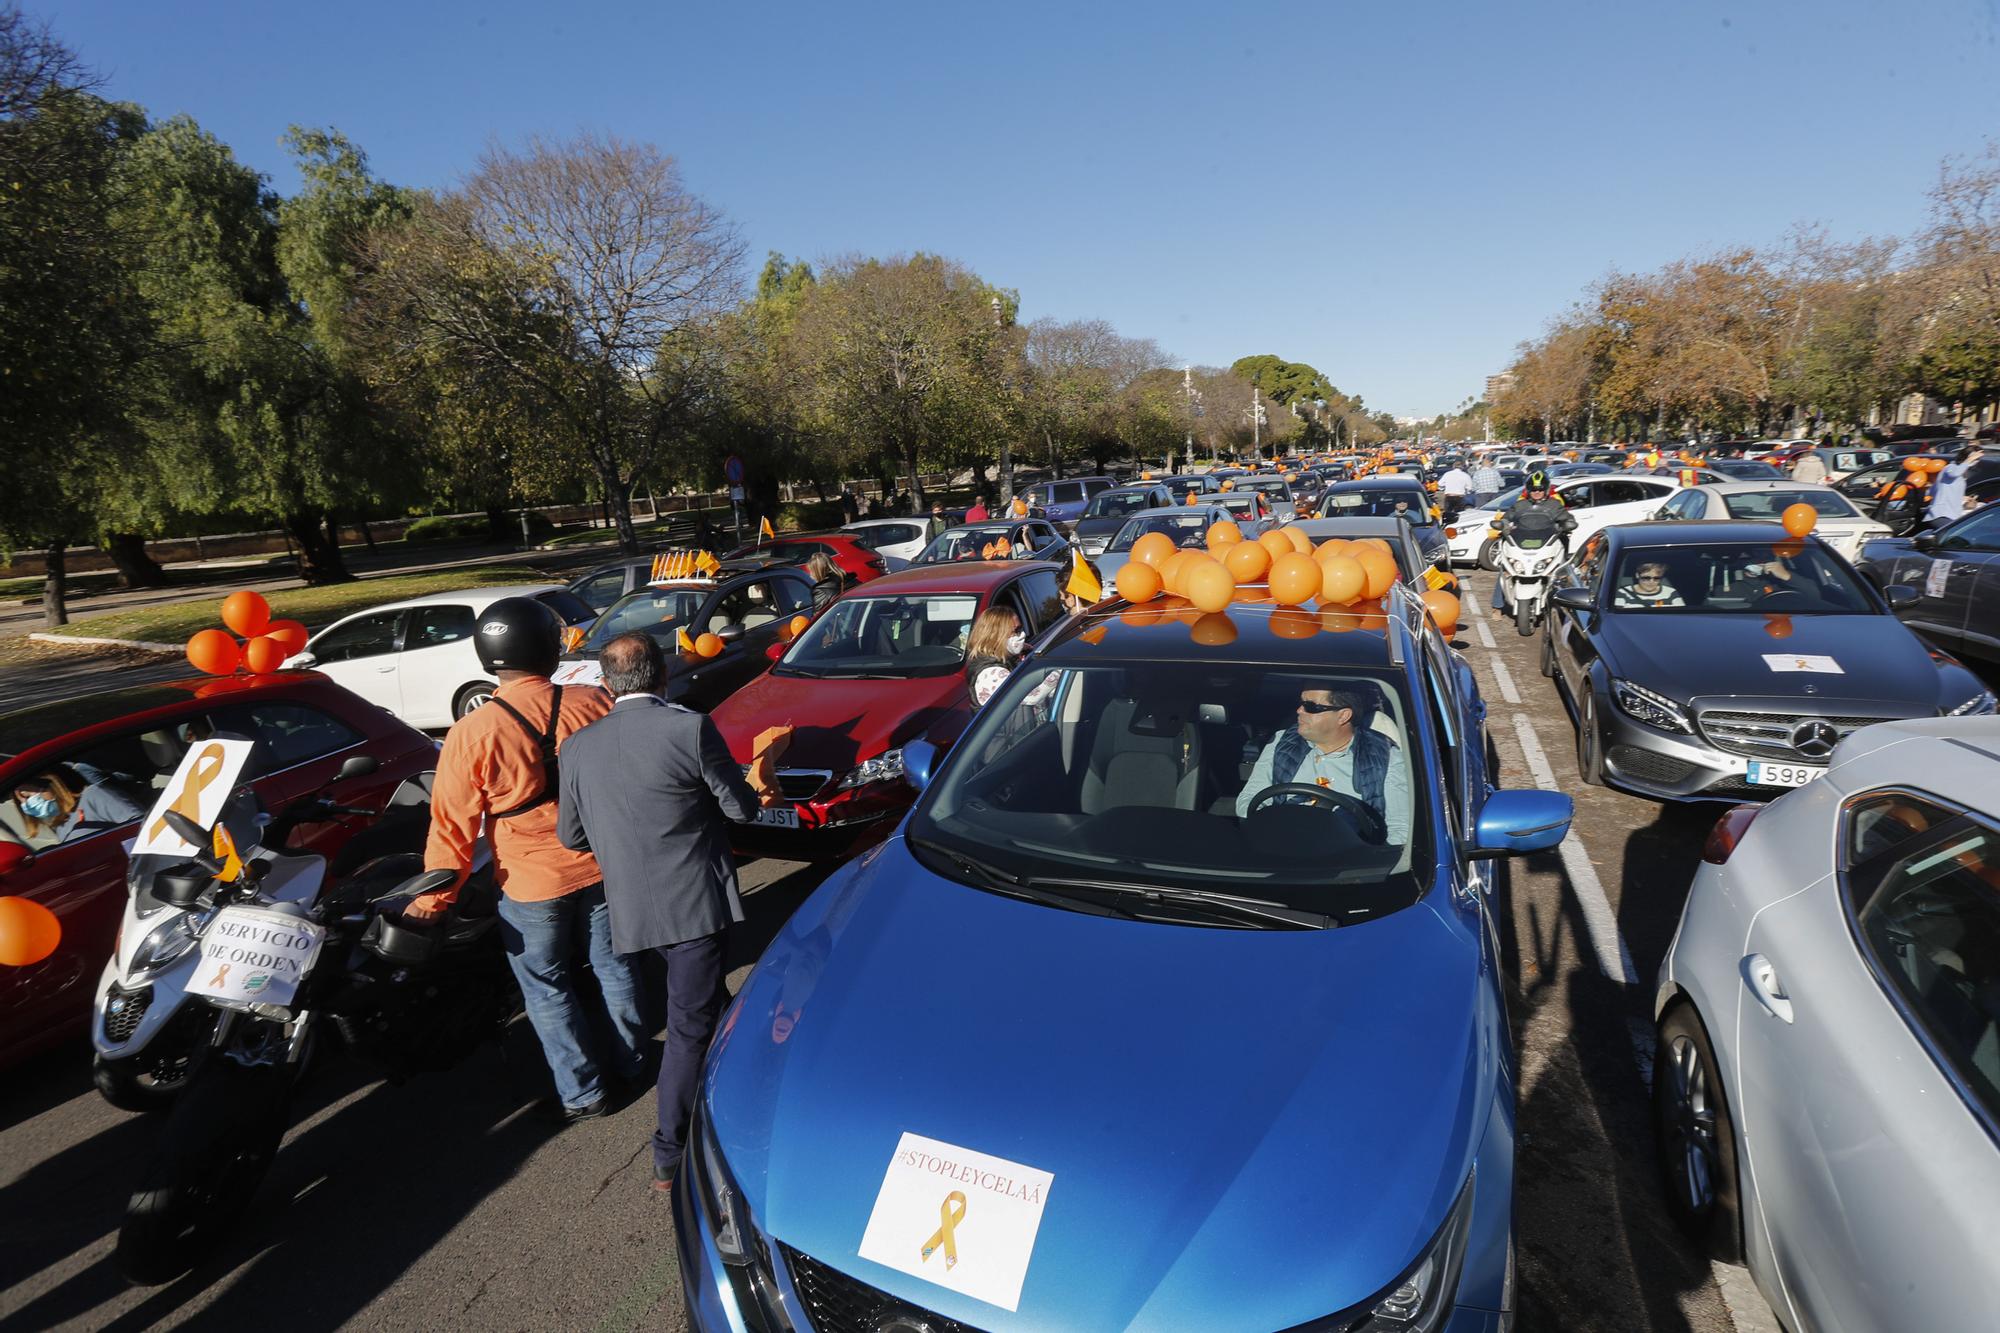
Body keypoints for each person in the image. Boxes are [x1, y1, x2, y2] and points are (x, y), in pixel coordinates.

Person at [557, 632, 786, 1195]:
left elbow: (573, 835)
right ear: (662, 674)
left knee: (704, 1001)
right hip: (694, 903)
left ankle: (756, 1066)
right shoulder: (689, 728)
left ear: (606, 686)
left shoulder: (578, 747)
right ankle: (669, 1146)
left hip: (633, 906)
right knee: (688, 1024)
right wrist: (760, 778)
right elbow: (740, 807)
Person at [409, 597, 648, 1123]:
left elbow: (451, 826)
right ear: (548, 647)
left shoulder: (470, 733)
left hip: (530, 880)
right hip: (604, 865)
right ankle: (633, 1062)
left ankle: (584, 1093)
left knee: (546, 985)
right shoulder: (596, 701)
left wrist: (435, 899)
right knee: (615, 965)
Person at [1234, 685, 1411, 845]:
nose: (1299, 710)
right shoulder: (1281, 742)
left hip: (1348, 862)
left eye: (1311, 706)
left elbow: (1400, 830)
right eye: (1301, 703)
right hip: (1282, 847)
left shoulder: (1386, 757)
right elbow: (1248, 801)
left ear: (1343, 716)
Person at [1493, 471, 1576, 609]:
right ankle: (1497, 605)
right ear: (1528, 490)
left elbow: (1567, 518)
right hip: (1522, 543)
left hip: (1547, 543)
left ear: (1546, 489)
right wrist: (1503, 524)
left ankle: (1567, 605)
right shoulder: (1520, 505)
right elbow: (1507, 518)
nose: (1537, 492)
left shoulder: (1554, 505)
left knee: (1564, 570)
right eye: (1533, 489)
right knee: (1506, 567)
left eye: (1540, 489)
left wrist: (1567, 523)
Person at [9, 769, 144, 847]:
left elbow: (142, 825)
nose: (25, 804)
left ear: (49, 785)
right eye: (20, 801)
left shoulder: (93, 795)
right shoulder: (60, 826)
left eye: (27, 796)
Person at [964, 606, 1025, 706]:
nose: (1022, 634)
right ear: (996, 635)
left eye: (1020, 629)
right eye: (1016, 631)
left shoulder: (1002, 658)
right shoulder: (991, 673)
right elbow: (1030, 695)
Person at [1929, 443, 1984, 528]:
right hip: (1942, 515)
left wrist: (1963, 498)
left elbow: (1934, 491)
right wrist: (1970, 459)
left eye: (1978, 459)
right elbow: (1954, 474)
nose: (1976, 461)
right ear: (1966, 457)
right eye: (1976, 459)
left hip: (1952, 515)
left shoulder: (1961, 474)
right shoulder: (1950, 467)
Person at [1614, 560, 1685, 608]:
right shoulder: (1623, 593)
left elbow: (1681, 616)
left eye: (1656, 578)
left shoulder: (1670, 593)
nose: (1651, 582)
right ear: (1637, 575)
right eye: (1646, 578)